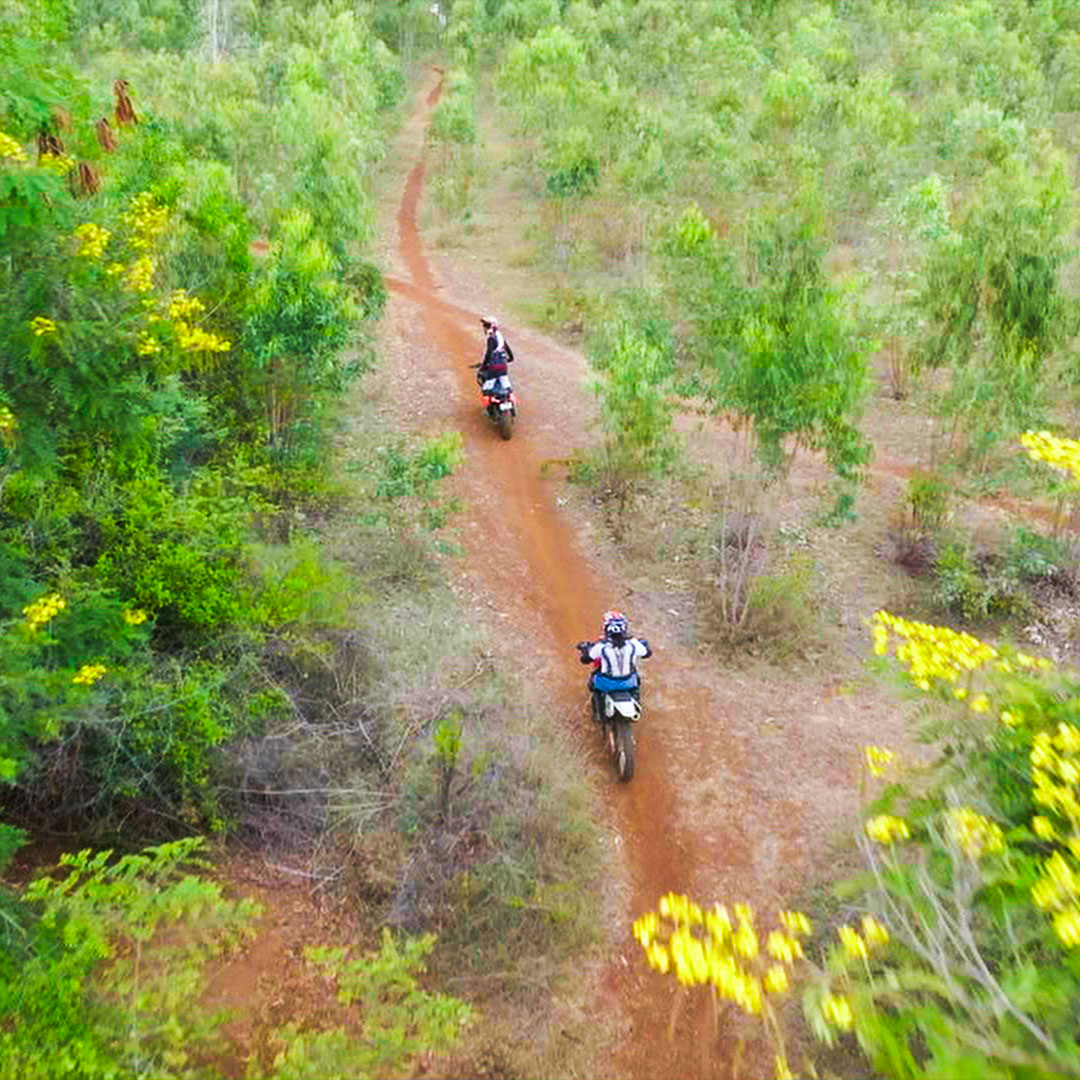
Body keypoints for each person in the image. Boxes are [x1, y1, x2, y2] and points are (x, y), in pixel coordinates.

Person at [576, 610, 652, 722]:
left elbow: (586, 659)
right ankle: (636, 701)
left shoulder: (602, 646)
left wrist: (584, 649)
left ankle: (597, 713)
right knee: (636, 680)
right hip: (629, 683)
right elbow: (647, 653)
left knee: (593, 683)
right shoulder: (633, 643)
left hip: (606, 683)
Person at [477, 316, 514, 386]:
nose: (484, 328)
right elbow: (507, 348)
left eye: (485, 326)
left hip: (494, 366)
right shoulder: (500, 336)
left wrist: (483, 367)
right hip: (503, 366)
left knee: (487, 388)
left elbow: (489, 354)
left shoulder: (491, 338)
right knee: (506, 386)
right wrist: (511, 358)